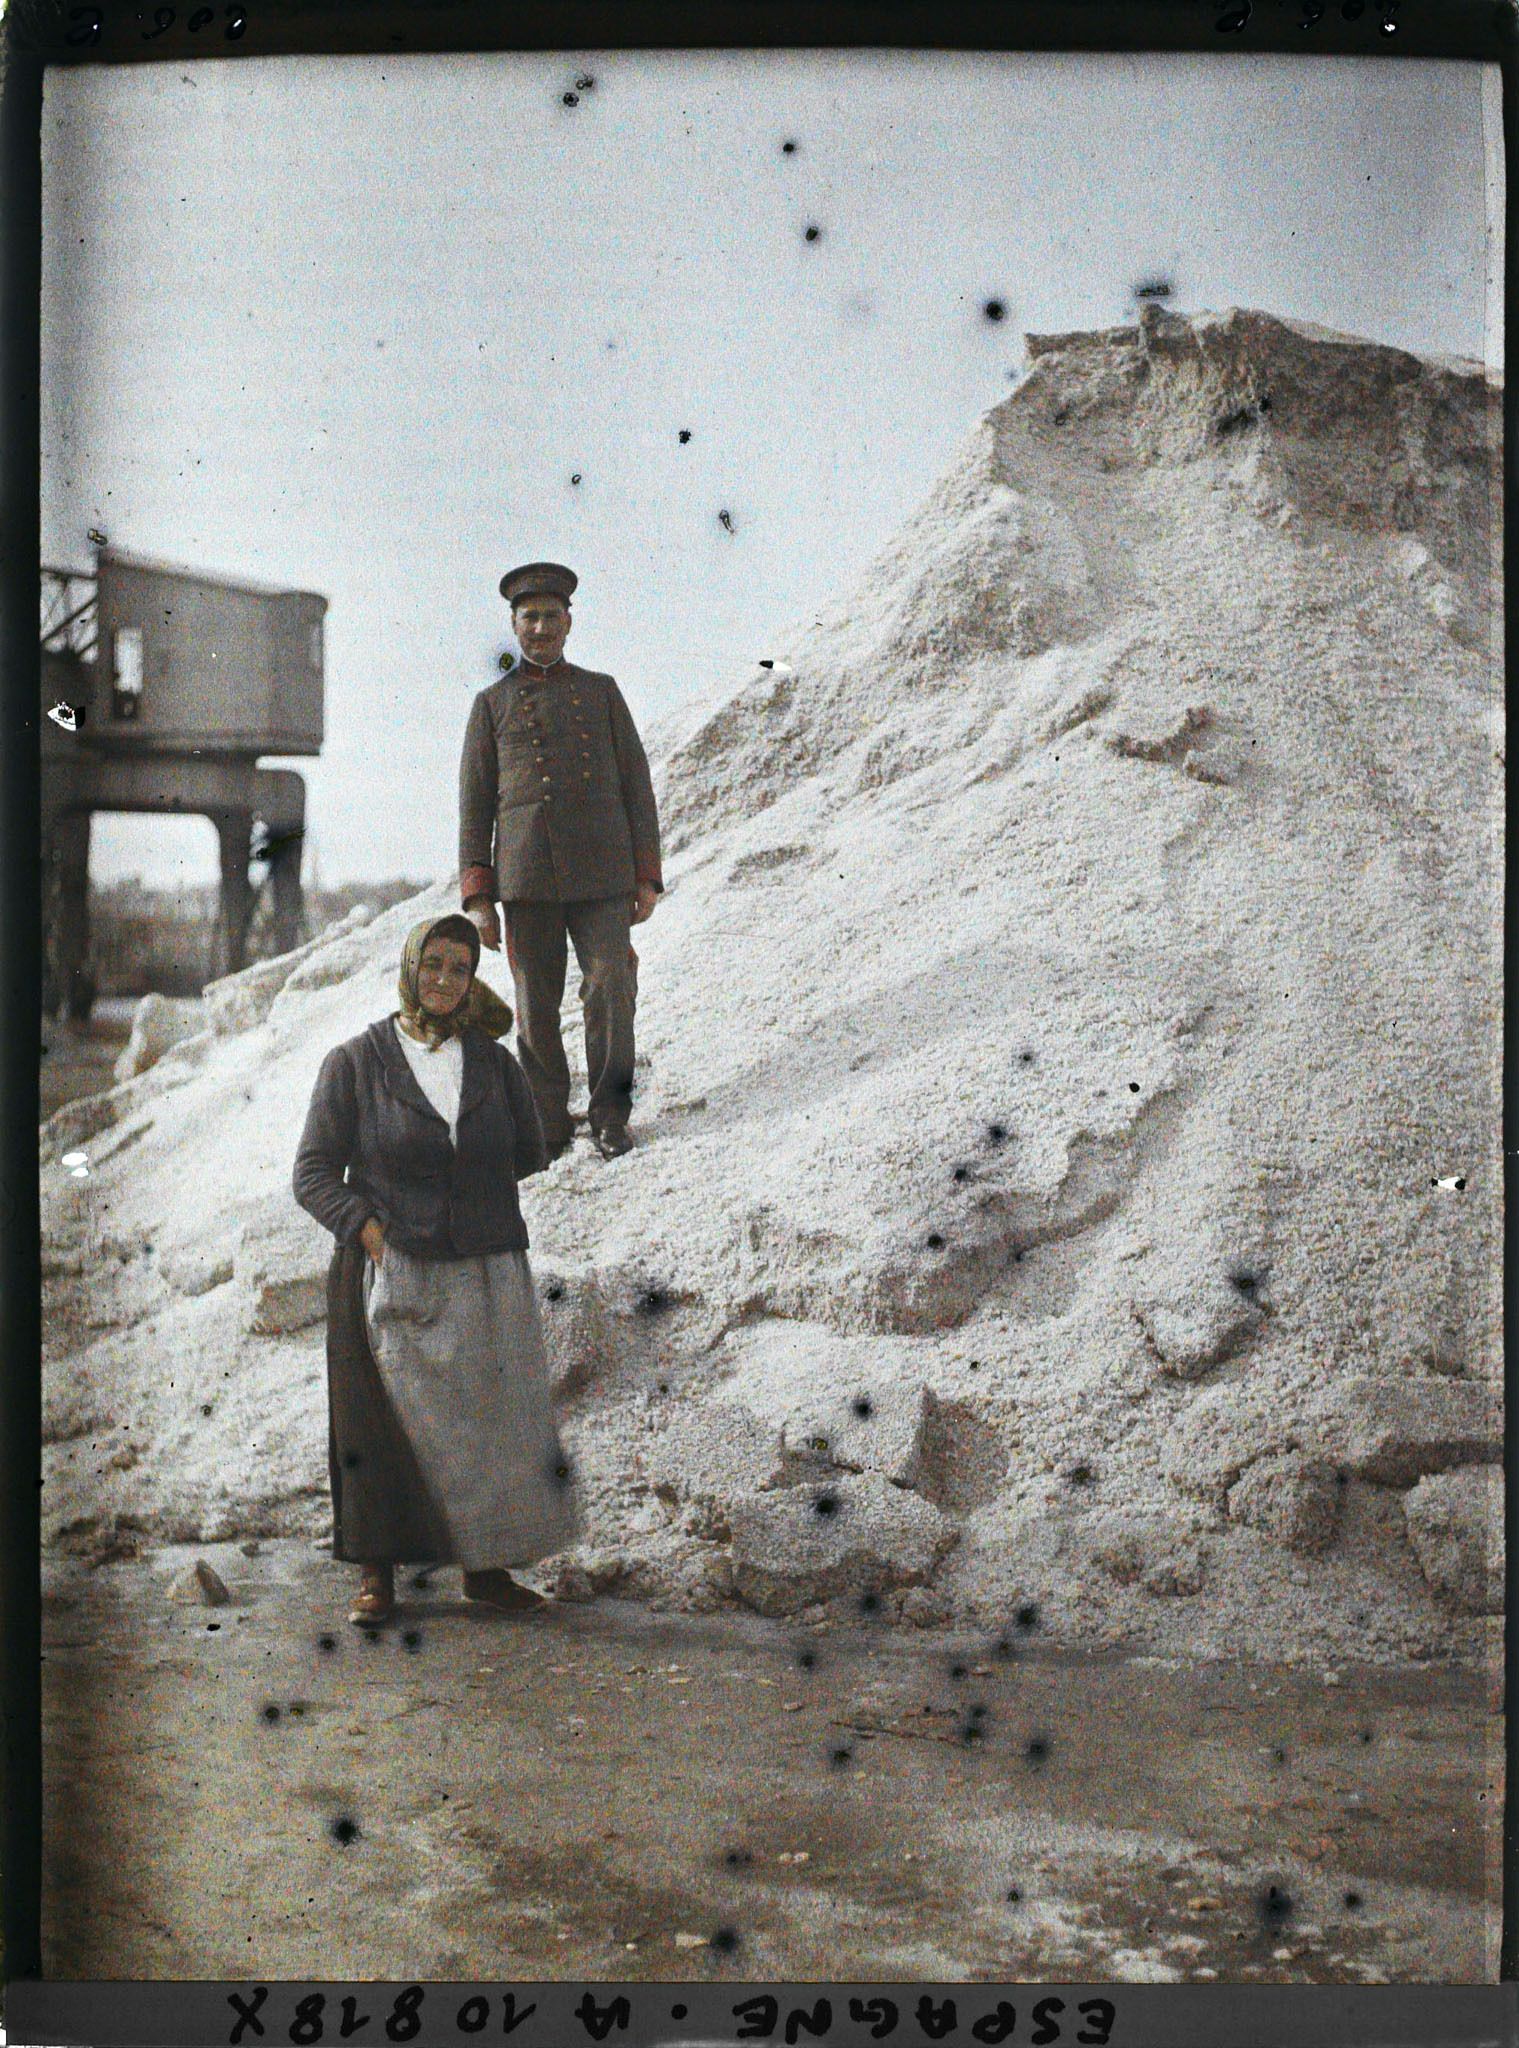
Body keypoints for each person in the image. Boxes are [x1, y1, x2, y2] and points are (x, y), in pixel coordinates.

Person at [292, 912, 578, 1626]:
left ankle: (486, 1573)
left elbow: (528, 1149)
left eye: (460, 968)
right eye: (433, 965)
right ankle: (376, 1577)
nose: (445, 981)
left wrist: (474, 1201)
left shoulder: (491, 1061)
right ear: (409, 968)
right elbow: (313, 1172)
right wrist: (370, 1230)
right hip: (390, 1266)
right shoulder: (356, 1062)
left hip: (484, 1266)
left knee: (488, 1424)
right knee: (384, 1427)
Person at [458, 561, 662, 1161]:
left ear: (569, 622)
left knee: (611, 986)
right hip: (526, 878)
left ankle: (609, 1115)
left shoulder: (601, 692)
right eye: (530, 617)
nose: (541, 627)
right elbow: (474, 807)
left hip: (603, 874)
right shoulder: (490, 705)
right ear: (514, 626)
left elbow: (637, 785)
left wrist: (646, 876)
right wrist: (478, 898)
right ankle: (547, 1123)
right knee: (533, 1006)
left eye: (551, 616)